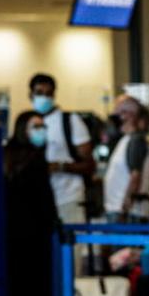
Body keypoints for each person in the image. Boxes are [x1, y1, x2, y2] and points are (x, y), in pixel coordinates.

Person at [3, 111, 58, 296]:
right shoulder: (35, 161)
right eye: (36, 126)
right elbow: (45, 202)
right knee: (37, 293)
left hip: (12, 239)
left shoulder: (6, 157)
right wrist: (56, 228)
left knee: (19, 293)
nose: (41, 130)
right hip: (36, 239)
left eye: (43, 125)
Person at [29, 73, 94, 225]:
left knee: (73, 246)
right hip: (39, 199)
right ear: (31, 94)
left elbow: (89, 164)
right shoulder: (29, 123)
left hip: (68, 197)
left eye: (48, 94)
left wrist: (60, 166)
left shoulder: (70, 121)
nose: (44, 98)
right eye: (39, 93)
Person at [102, 96, 149, 223]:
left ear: (128, 115)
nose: (113, 118)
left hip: (127, 214)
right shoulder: (126, 139)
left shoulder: (136, 140)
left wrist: (125, 208)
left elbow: (135, 177)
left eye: (117, 113)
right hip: (118, 210)